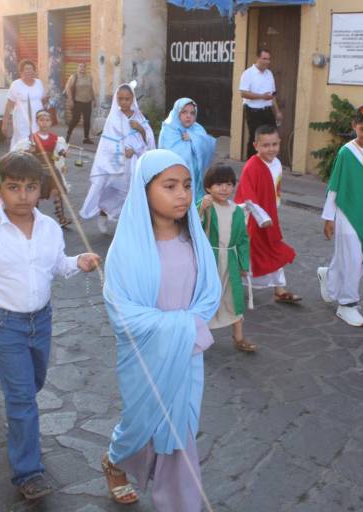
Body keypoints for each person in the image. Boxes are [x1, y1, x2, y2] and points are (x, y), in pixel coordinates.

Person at [0, 151, 101, 500]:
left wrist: (80, 261)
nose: (23, 195)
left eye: (30, 187)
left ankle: (22, 431)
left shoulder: (48, 228)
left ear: (41, 190)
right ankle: (28, 472)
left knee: (33, 384)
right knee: (21, 398)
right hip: (6, 323)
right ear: (0, 189)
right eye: (14, 187)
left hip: (42, 321)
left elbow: (58, 266)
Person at [102, 149, 220, 510]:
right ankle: (115, 458)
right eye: (169, 186)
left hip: (185, 356)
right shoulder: (128, 248)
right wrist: (181, 327)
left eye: (186, 185)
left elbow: (210, 293)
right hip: (145, 356)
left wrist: (185, 329)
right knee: (139, 426)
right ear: (144, 189)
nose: (182, 194)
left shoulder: (195, 239)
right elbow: (122, 312)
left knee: (179, 433)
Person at [316, 105, 363, 327]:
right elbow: (335, 187)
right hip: (346, 212)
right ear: (354, 126)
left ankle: (330, 275)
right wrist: (329, 218)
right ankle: (347, 305)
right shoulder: (346, 152)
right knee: (354, 258)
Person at [234, 124, 300, 304]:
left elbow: (276, 189)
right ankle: (229, 285)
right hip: (254, 219)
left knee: (273, 248)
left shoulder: (277, 163)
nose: (271, 149)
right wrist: (262, 217)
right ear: (256, 145)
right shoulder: (252, 167)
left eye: (274, 144)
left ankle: (279, 290)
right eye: (266, 145)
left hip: (270, 216)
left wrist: (273, 210)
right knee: (250, 253)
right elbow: (248, 197)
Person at [80, 83, 155, 234]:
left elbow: (150, 140)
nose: (124, 102)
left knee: (131, 192)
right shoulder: (113, 118)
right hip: (116, 162)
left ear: (132, 99)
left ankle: (129, 223)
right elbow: (107, 144)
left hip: (134, 161)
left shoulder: (139, 116)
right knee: (110, 188)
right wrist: (122, 151)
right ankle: (103, 212)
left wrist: (140, 129)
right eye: (120, 99)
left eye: (127, 99)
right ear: (116, 99)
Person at [198, 164, 255, 352]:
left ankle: (238, 337)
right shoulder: (206, 206)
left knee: (233, 297)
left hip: (229, 260)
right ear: (208, 187)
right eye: (219, 184)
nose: (225, 189)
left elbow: (243, 240)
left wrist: (243, 263)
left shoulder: (237, 211)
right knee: (207, 298)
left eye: (229, 184)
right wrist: (200, 209)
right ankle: (200, 337)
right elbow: (193, 228)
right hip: (210, 260)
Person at [12, 110, 70, 227]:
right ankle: (33, 218)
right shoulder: (32, 138)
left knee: (57, 193)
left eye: (47, 120)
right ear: (37, 122)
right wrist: (30, 150)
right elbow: (21, 153)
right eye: (42, 120)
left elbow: (59, 150)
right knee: (35, 196)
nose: (44, 123)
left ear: (51, 122)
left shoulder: (55, 138)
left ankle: (61, 218)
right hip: (37, 171)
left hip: (52, 170)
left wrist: (64, 153)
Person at [158, 98, 216, 202]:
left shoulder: (197, 129)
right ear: (177, 113)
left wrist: (193, 138)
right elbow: (168, 155)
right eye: (184, 112)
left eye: (192, 113)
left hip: (196, 179)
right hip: (174, 178)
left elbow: (209, 146)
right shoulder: (169, 129)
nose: (188, 116)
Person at [239, 48, 283, 158]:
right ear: (257, 58)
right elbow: (243, 93)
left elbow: (272, 95)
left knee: (271, 137)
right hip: (253, 111)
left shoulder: (269, 74)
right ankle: (251, 165)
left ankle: (268, 163)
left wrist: (277, 112)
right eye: (264, 58)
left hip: (267, 111)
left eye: (269, 59)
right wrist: (261, 96)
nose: (267, 61)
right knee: (256, 139)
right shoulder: (248, 73)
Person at [3, 60, 46, 148]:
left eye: (31, 69)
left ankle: (33, 160)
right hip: (21, 120)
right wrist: (5, 123)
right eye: (26, 69)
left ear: (34, 71)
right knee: (22, 141)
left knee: (36, 139)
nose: (29, 71)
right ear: (21, 71)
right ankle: (18, 159)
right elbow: (9, 104)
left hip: (37, 119)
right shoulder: (16, 84)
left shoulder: (39, 83)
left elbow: (43, 99)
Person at [64, 63, 95, 145]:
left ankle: (86, 138)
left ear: (86, 68)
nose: (82, 68)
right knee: (75, 119)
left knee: (87, 121)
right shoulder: (74, 77)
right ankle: (68, 134)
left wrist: (94, 99)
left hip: (87, 102)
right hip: (77, 102)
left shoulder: (89, 77)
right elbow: (68, 88)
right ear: (77, 68)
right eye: (80, 66)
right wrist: (70, 100)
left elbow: (91, 89)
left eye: (84, 66)